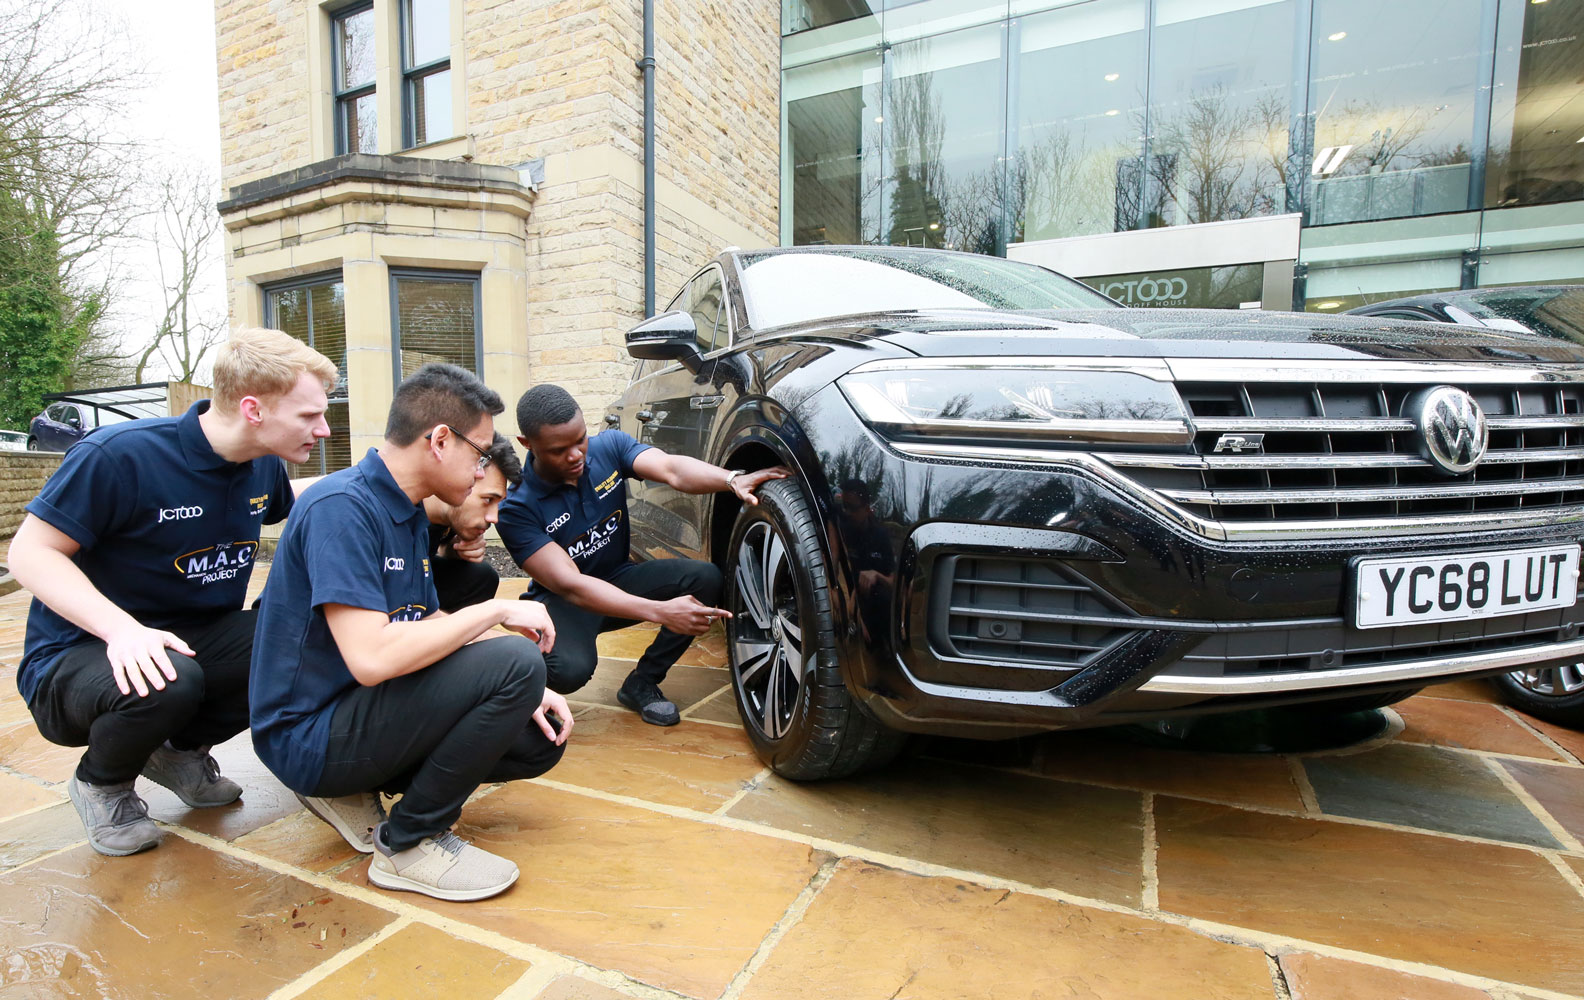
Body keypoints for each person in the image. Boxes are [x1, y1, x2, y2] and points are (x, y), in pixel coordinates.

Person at [7, 328, 337, 857]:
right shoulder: (119, 457)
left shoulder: (263, 463)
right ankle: (102, 784)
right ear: (253, 409)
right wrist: (123, 630)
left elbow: (293, 499)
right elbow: (28, 553)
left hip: (191, 637)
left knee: (305, 637)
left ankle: (178, 752)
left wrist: (387, 480)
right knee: (169, 676)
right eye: (308, 416)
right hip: (78, 657)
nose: (322, 430)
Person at [250, 363, 572, 903]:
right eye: (480, 452)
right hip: (306, 735)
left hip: (357, 709)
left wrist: (521, 689)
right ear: (441, 441)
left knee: (535, 734)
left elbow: (421, 621)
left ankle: (360, 788)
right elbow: (372, 657)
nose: (481, 471)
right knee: (517, 663)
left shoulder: (404, 515)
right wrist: (493, 614)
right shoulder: (342, 508)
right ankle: (408, 844)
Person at [497, 383, 788, 726]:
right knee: (569, 670)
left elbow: (671, 469)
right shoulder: (515, 507)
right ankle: (527, 686)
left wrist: (731, 479)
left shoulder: (608, 449)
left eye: (580, 440)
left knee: (705, 579)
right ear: (527, 444)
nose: (577, 455)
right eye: (560, 450)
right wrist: (661, 612)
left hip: (619, 577)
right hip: (566, 602)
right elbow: (571, 584)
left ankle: (642, 682)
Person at [423, 432, 520, 612]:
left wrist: (452, 549)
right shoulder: (391, 514)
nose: (494, 518)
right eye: (488, 500)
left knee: (481, 576)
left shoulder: (447, 518)